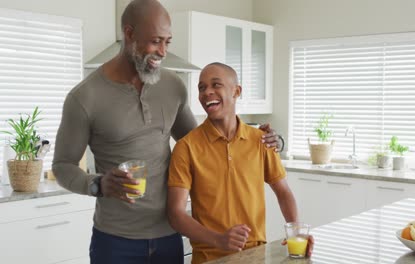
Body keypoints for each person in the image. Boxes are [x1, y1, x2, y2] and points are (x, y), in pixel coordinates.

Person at [52, 1, 279, 263]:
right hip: (115, 240)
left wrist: (266, 140)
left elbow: (202, 144)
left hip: (168, 236)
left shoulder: (173, 86)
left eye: (167, 42)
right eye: (155, 41)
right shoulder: (83, 98)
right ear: (129, 34)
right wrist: (98, 184)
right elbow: (63, 166)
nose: (162, 52)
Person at [167, 62, 312, 264]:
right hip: (209, 259)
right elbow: (175, 214)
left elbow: (283, 192)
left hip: (255, 256)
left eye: (216, 85)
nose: (207, 92)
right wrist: (219, 240)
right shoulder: (186, 147)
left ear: (236, 91)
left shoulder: (260, 140)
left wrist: (296, 232)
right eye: (202, 87)